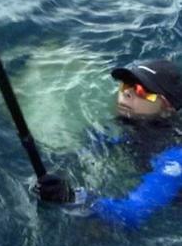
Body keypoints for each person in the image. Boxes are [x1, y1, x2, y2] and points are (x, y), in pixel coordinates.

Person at [38, 57, 182, 227]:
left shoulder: (175, 153)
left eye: (142, 91)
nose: (126, 93)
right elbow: (84, 152)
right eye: (125, 85)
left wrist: (73, 198)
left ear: (167, 108)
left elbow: (134, 213)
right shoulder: (124, 124)